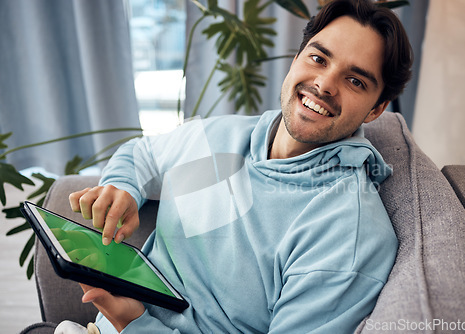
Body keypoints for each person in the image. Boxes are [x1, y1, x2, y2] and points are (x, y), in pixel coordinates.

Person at [60, 0, 413, 332]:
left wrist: (135, 323)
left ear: (375, 109)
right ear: (296, 58)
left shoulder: (345, 234)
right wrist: (124, 188)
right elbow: (143, 155)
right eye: (319, 59)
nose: (324, 84)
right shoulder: (227, 135)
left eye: (355, 81)